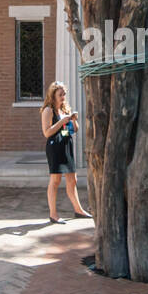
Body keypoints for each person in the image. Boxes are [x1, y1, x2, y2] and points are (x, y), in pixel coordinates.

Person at [41, 81, 89, 223]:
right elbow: (47, 132)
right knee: (55, 181)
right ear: (53, 95)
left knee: (72, 179)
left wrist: (74, 120)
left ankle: (78, 210)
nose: (63, 97)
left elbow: (74, 130)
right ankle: (53, 214)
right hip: (55, 147)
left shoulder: (65, 109)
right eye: (60, 94)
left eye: (64, 94)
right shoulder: (48, 110)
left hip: (66, 145)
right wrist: (62, 122)